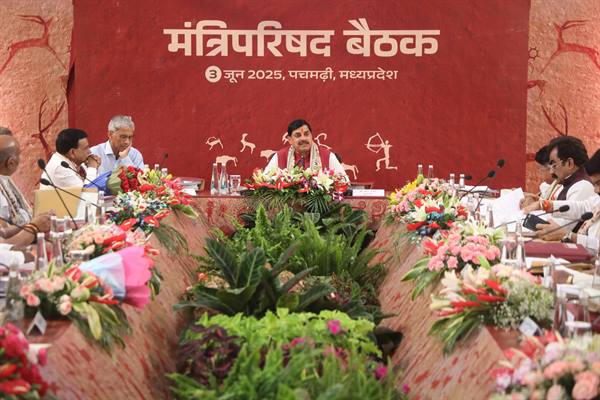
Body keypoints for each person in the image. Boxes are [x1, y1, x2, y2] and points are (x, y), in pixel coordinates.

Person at [524, 149, 600, 246]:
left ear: (569, 163)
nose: (596, 190)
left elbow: (597, 246)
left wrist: (567, 235)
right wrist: (544, 205)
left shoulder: (583, 185)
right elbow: (582, 207)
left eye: (554, 165)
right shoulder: (596, 198)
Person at [0, 127, 51, 248]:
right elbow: (3, 247)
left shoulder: (4, 180)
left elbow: (3, 232)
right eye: (19, 154)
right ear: (11, 162)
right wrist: (34, 227)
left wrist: (37, 222)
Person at [265, 119, 348, 178]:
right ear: (290, 140)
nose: (303, 138)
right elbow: (265, 182)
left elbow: (344, 182)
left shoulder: (327, 156)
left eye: (306, 134)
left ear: (311, 135)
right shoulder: (280, 156)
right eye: (298, 135)